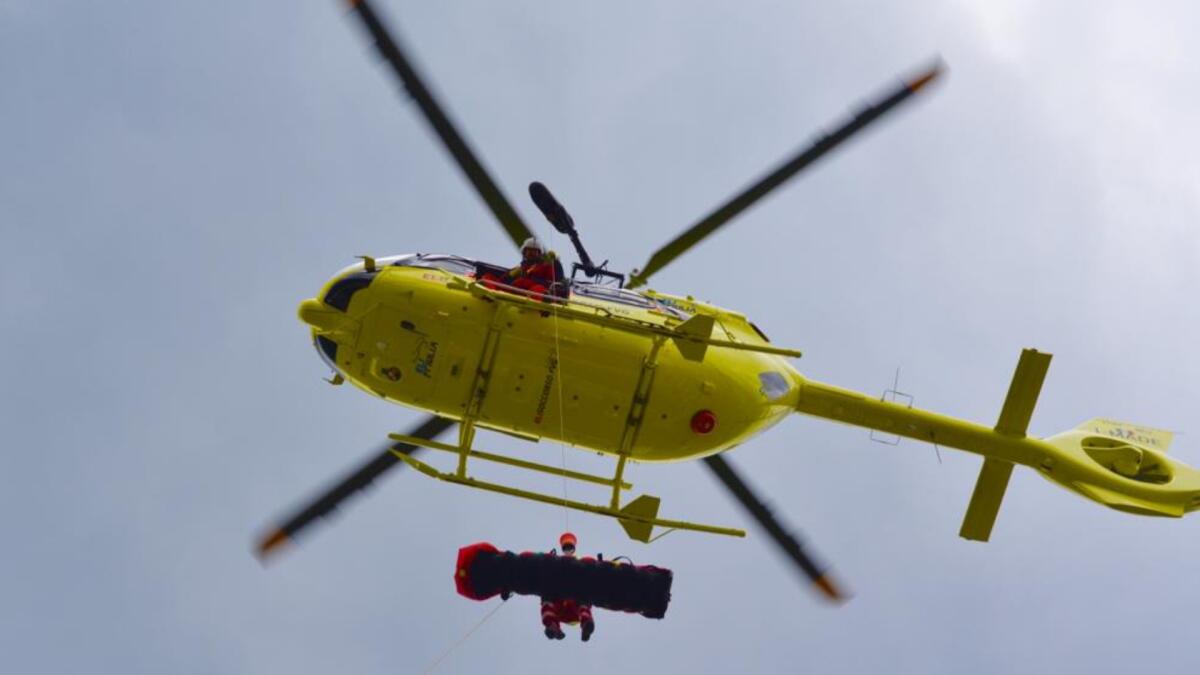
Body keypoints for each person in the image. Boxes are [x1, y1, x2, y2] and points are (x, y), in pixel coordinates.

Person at [540, 532, 595, 642]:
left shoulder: (579, 562)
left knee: (580, 595)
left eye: (570, 547)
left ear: (574, 548)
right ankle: (553, 625)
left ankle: (585, 624)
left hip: (572, 609)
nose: (568, 550)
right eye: (566, 547)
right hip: (565, 609)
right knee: (549, 595)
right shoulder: (558, 564)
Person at [482, 237, 565, 301]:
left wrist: (556, 263)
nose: (531, 253)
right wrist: (509, 275)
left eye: (534, 251)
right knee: (488, 277)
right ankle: (489, 294)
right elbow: (503, 280)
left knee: (539, 289)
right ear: (524, 252)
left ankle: (542, 303)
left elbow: (555, 279)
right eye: (528, 250)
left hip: (530, 291)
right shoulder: (520, 268)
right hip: (515, 289)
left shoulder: (545, 266)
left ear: (539, 254)